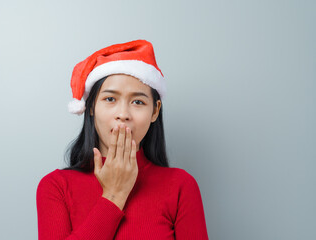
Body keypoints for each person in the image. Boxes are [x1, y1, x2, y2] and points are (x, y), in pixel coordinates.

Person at [36, 40, 209, 239]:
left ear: (155, 111)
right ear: (91, 107)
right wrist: (114, 196)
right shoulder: (56, 187)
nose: (123, 114)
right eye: (110, 99)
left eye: (138, 102)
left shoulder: (181, 186)